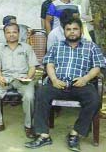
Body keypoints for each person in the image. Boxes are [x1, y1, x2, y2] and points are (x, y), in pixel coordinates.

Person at [25, 18, 105, 151]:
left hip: (81, 84)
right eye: (68, 29)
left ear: (80, 30)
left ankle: (75, 134)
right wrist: (54, 79)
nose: (72, 32)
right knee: (41, 93)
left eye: (75, 29)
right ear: (64, 31)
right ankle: (43, 135)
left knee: (94, 99)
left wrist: (85, 79)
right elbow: (49, 64)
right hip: (58, 83)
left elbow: (97, 67)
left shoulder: (91, 46)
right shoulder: (57, 46)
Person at [0, 23, 38, 138]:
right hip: (5, 78)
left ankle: (28, 126)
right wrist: (0, 78)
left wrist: (28, 77)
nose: (11, 35)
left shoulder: (27, 48)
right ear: (4, 34)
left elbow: (33, 66)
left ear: (18, 33)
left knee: (29, 96)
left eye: (14, 32)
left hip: (23, 78)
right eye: (8, 32)